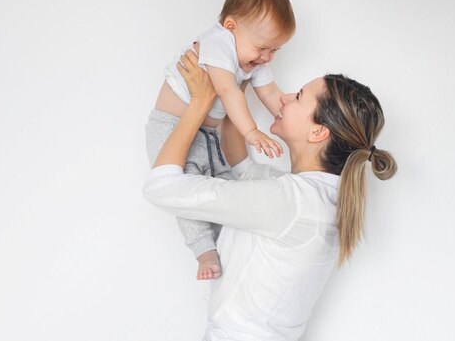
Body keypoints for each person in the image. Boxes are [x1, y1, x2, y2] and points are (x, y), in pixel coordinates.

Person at [142, 46, 397, 341]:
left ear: (318, 133)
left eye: (299, 97)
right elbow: (243, 169)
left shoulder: (291, 203)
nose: (285, 97)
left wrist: (201, 101)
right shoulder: (315, 200)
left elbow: (160, 187)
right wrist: (232, 89)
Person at [146, 0, 295, 280]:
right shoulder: (218, 43)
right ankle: (203, 250)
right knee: (184, 187)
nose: (266, 58)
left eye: (275, 51)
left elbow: (268, 92)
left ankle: (226, 244)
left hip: (209, 134)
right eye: (263, 48)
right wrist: (252, 132)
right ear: (231, 26)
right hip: (172, 127)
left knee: (221, 185)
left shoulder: (253, 57)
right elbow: (228, 91)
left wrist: (291, 117)